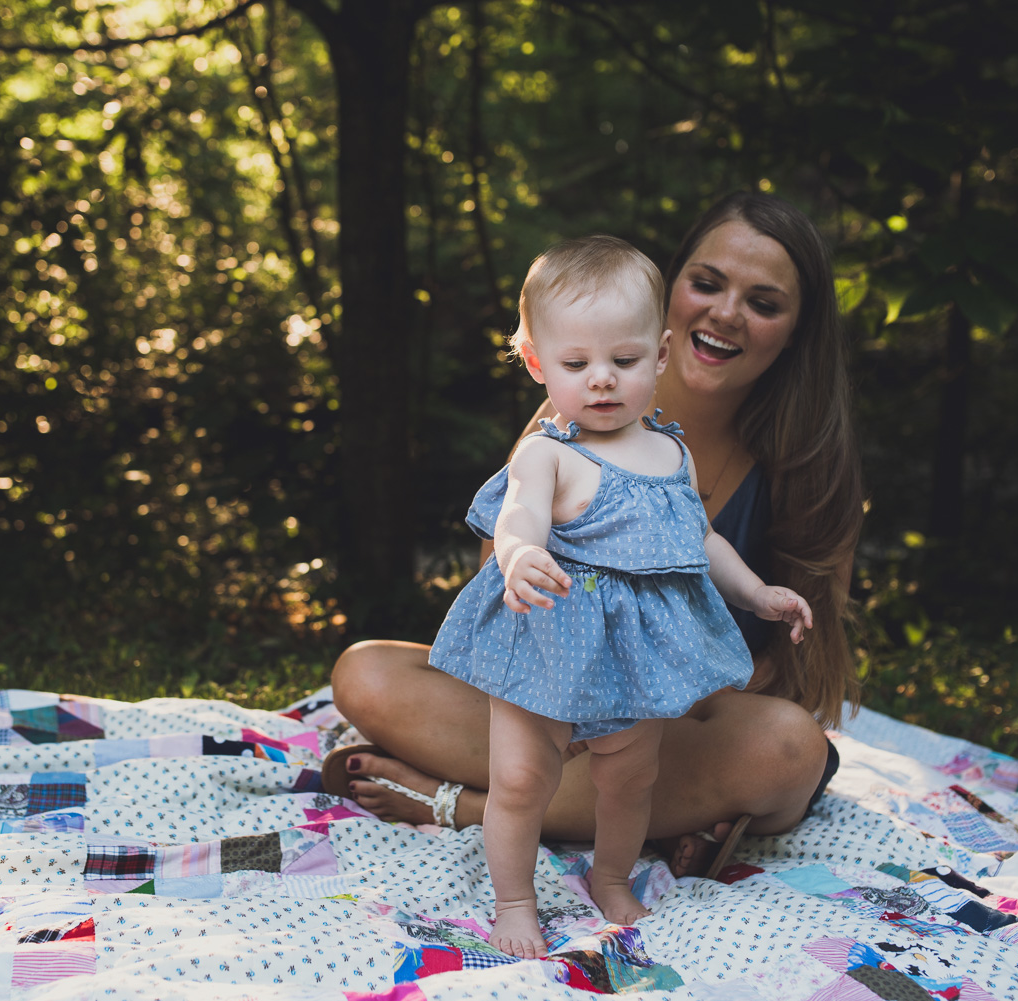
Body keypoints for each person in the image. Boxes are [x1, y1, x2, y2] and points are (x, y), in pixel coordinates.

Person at [326, 191, 863, 929]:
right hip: (550, 667)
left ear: (796, 329)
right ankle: (609, 816)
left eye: (763, 301)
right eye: (707, 283)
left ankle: (459, 803)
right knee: (365, 669)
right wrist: (527, 571)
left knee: (785, 747)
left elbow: (788, 652)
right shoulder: (567, 415)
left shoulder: (798, 461)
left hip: (682, 708)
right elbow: (505, 555)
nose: (726, 313)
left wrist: (682, 669)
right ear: (672, 292)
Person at [424, 235, 814, 957]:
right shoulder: (547, 451)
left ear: (660, 355)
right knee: (519, 779)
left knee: (631, 778)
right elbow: (517, 515)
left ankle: (610, 879)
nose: (601, 380)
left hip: (637, 660)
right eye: (576, 364)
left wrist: (757, 593)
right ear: (538, 362)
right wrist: (519, 553)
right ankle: (514, 901)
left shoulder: (671, 450)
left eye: (624, 361)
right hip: (545, 648)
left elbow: (699, 541)